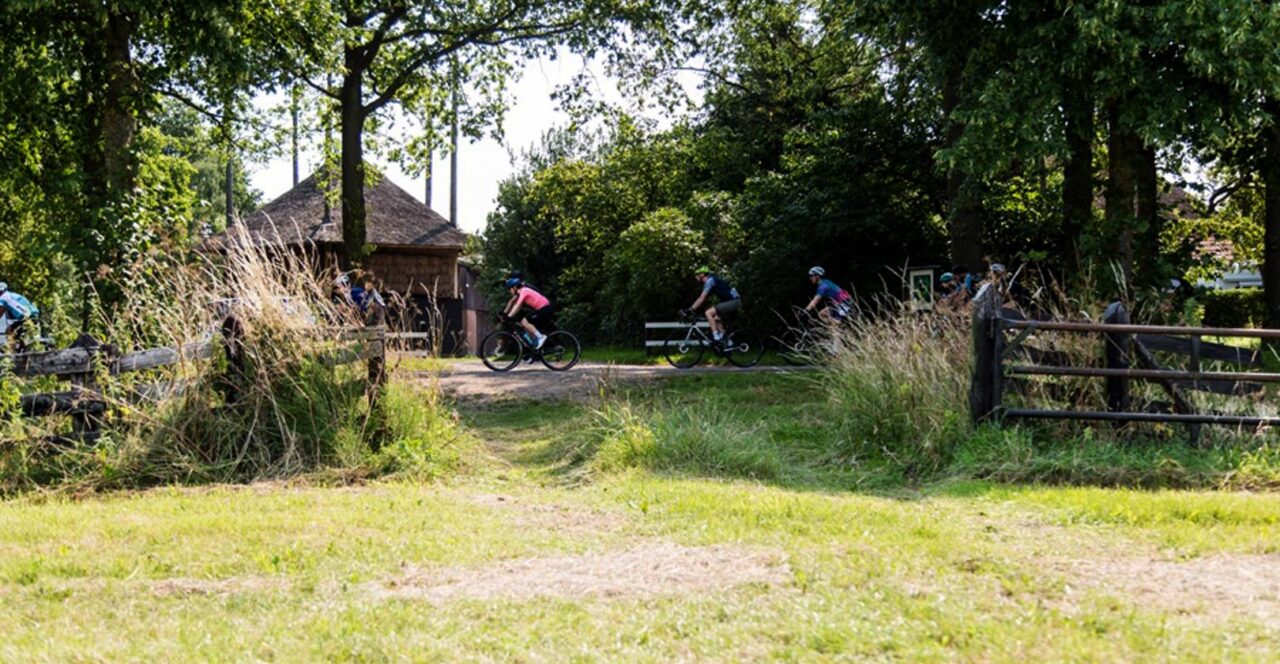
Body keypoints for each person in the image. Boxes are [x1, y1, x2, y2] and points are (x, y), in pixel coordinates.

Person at [684, 266, 740, 346]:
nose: (696, 277)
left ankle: (716, 336)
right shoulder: (711, 280)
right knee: (715, 319)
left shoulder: (710, 281)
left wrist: (690, 309)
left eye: (697, 274)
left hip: (733, 302)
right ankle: (728, 341)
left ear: (703, 274)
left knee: (708, 313)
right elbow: (703, 299)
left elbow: (701, 298)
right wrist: (693, 308)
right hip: (733, 301)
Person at [503, 276, 551, 350]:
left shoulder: (524, 291)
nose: (509, 291)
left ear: (515, 287)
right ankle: (535, 349)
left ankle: (541, 337)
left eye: (510, 289)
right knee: (525, 326)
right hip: (542, 309)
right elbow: (517, 306)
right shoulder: (521, 292)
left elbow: (517, 305)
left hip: (544, 309)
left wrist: (509, 316)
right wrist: (508, 315)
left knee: (524, 321)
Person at [0, 282, 39, 349]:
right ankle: (22, 350)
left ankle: (12, 355)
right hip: (33, 316)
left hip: (25, 318)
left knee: (10, 332)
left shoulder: (3, 298)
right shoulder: (13, 295)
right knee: (16, 335)